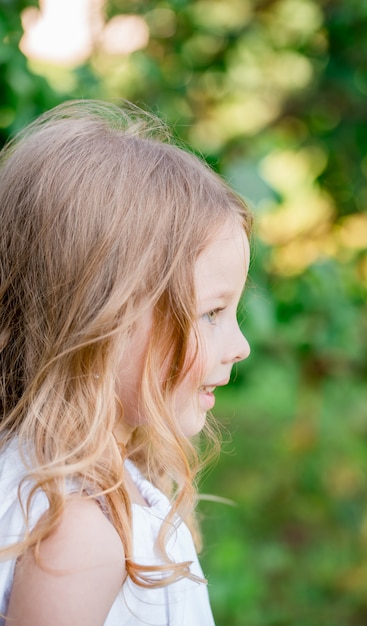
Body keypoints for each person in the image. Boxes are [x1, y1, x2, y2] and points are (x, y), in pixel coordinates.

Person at [0, 100, 252, 626]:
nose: (240, 345)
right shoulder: (82, 535)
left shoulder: (53, 480)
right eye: (212, 313)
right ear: (106, 322)